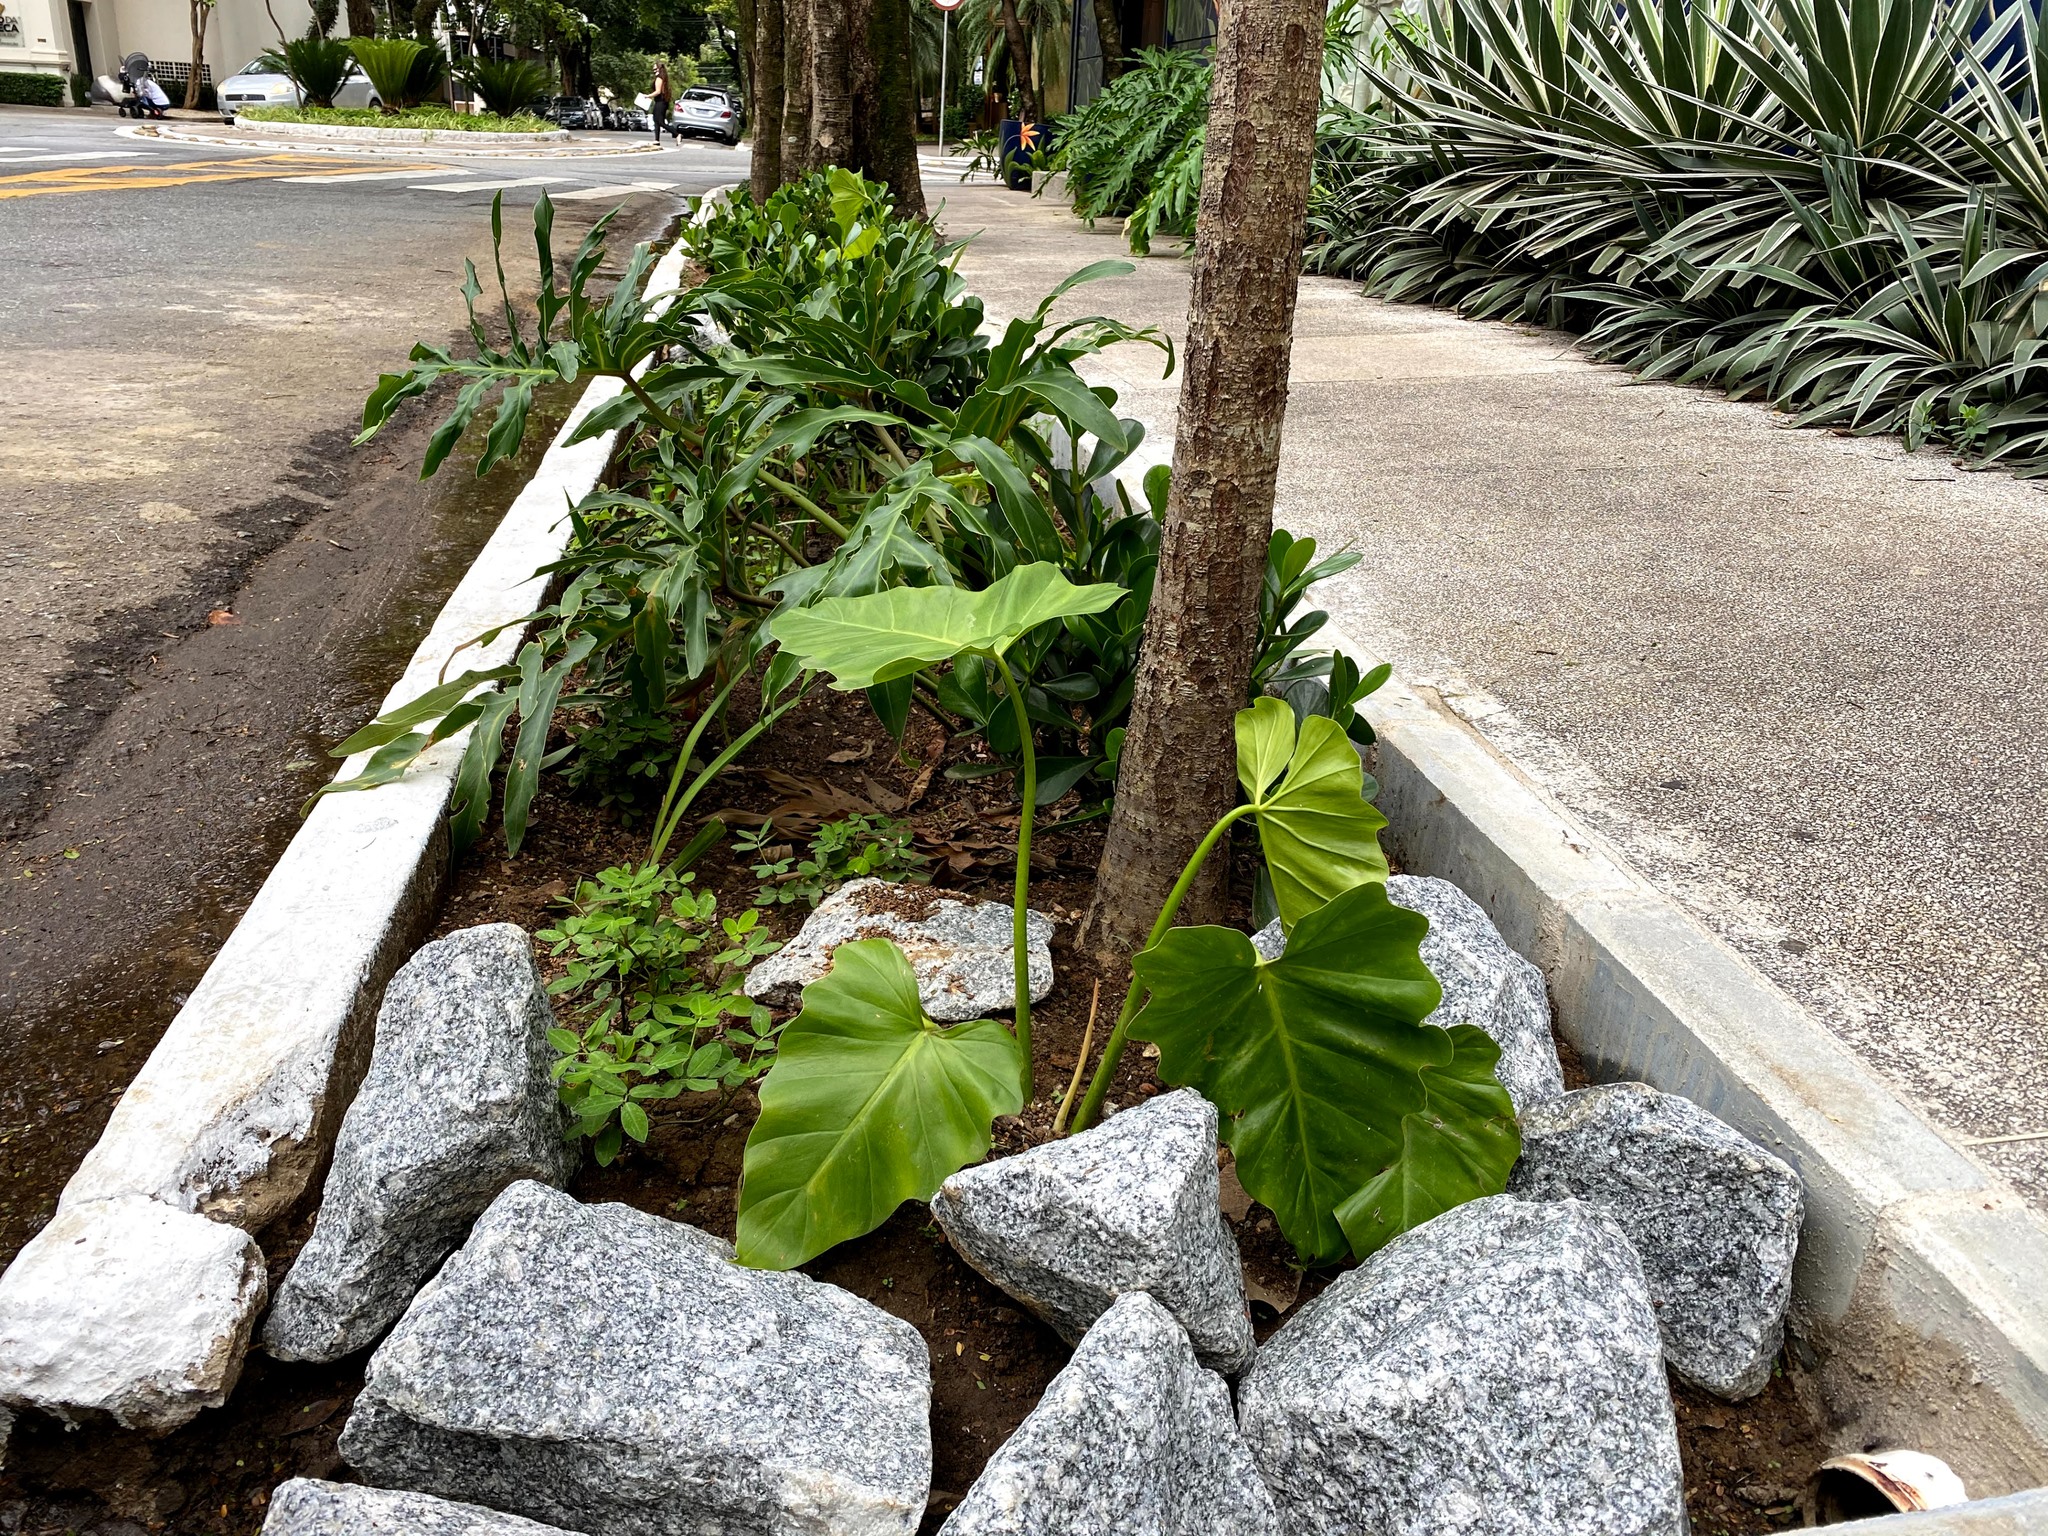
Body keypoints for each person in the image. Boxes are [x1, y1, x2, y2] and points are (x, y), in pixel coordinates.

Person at [650, 59, 670, 145]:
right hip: (661, 101)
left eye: (655, 69)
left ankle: (676, 134)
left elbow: (658, 91)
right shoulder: (664, 78)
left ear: (659, 69)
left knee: (660, 121)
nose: (654, 71)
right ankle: (656, 139)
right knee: (656, 120)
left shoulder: (659, 78)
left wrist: (647, 96)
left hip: (660, 102)